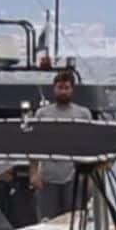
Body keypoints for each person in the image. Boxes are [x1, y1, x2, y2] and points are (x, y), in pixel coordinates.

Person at [30, 71, 92, 219]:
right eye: (60, 87)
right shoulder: (42, 114)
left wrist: (90, 178)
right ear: (54, 89)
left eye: (66, 88)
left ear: (72, 89)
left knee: (73, 219)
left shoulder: (83, 114)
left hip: (74, 177)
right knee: (47, 221)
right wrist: (33, 173)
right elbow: (33, 145)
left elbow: (89, 147)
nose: (63, 91)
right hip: (47, 178)